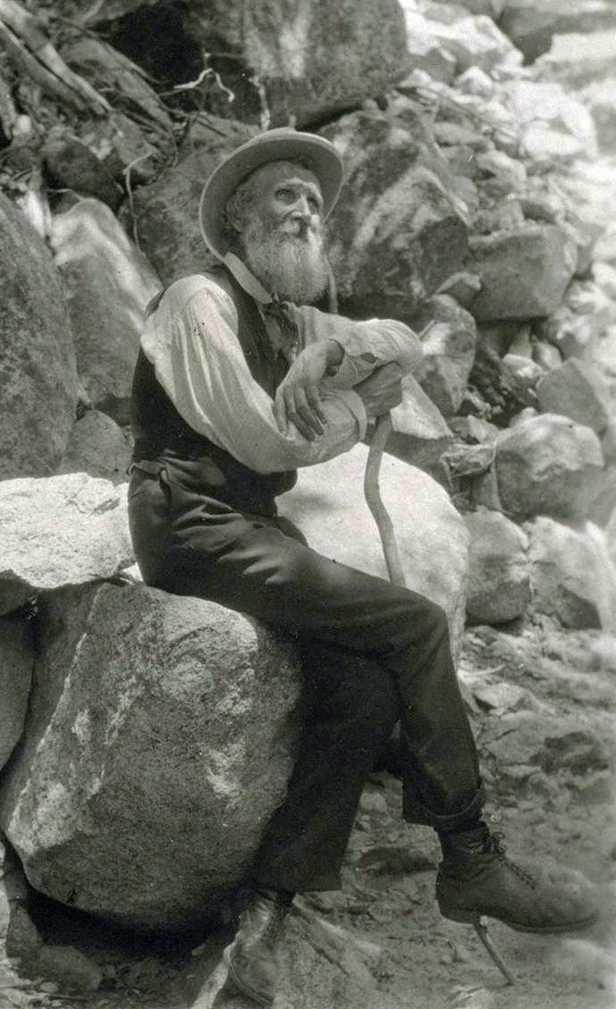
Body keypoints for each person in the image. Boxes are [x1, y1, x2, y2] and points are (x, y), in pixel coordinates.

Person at [127, 129, 598, 1006]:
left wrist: (329, 353)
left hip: (248, 526)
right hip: (189, 525)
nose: (305, 211)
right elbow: (264, 438)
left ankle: (276, 895)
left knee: (367, 688)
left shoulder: (287, 315)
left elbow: (403, 343)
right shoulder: (199, 300)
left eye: (313, 201)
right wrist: (356, 401)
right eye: (283, 198)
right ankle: (470, 859)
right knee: (413, 622)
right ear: (238, 217)